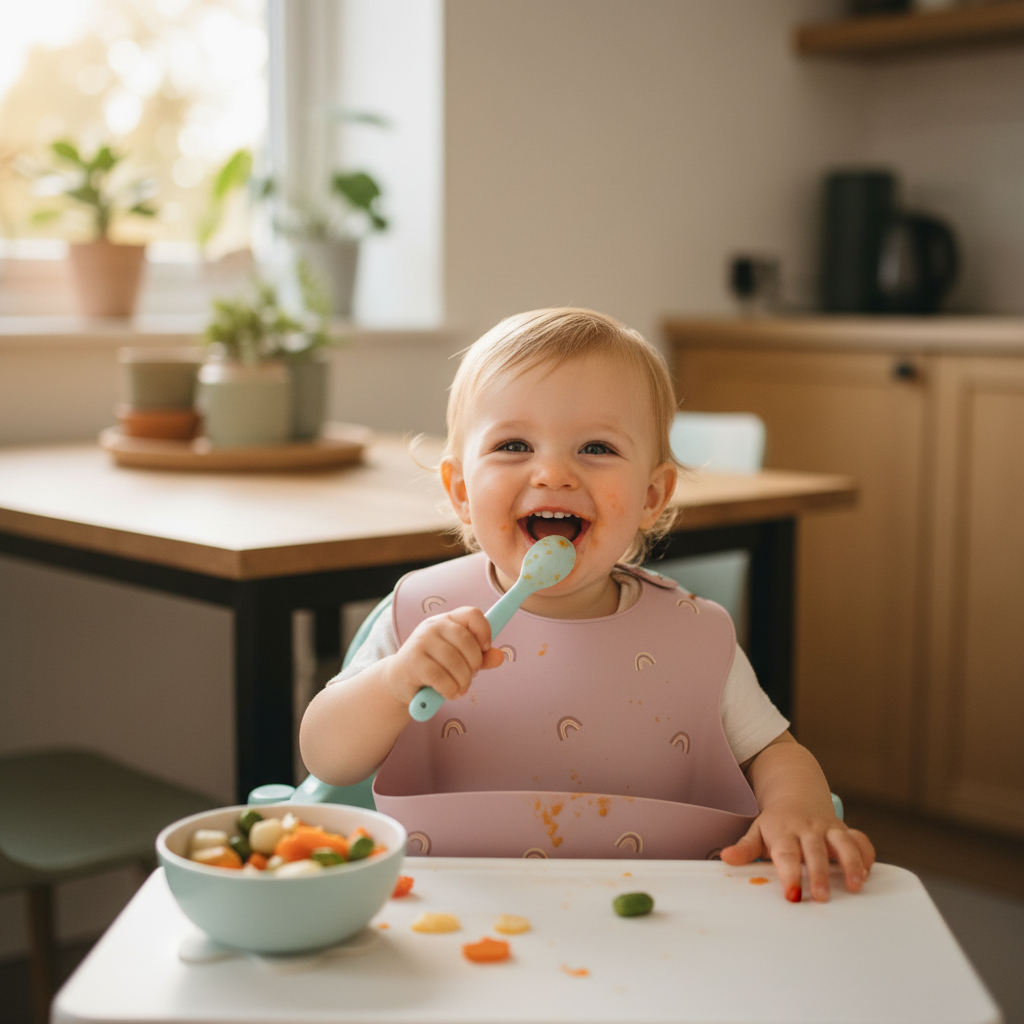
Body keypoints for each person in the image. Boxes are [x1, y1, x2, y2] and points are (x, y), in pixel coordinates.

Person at [300, 307, 875, 902]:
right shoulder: (425, 619)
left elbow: (774, 751)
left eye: (596, 447)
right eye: (514, 444)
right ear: (462, 492)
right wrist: (396, 683)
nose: (553, 472)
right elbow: (327, 760)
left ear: (651, 496)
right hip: (452, 916)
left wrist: (798, 807)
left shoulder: (693, 637)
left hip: (663, 921)